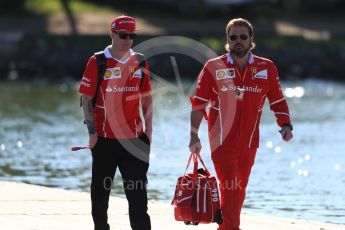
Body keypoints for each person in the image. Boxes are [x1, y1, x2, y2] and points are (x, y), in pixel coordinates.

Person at [189, 18, 293, 230]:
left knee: (240, 187)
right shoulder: (213, 66)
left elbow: (277, 100)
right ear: (227, 40)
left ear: (251, 40)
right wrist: (194, 135)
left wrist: (285, 124)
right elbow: (199, 103)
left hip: (250, 140)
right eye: (233, 37)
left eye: (243, 37)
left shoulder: (267, 67)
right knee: (230, 187)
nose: (238, 41)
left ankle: (225, 226)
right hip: (221, 140)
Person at [79, 15, 153, 230]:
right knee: (100, 196)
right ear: (112, 34)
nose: (128, 39)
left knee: (138, 197)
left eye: (132, 35)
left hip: (135, 140)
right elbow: (86, 99)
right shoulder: (98, 61)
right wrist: (92, 133)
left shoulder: (140, 61)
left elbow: (147, 99)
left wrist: (149, 133)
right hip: (104, 139)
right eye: (123, 35)